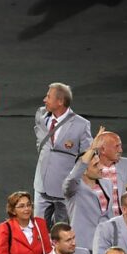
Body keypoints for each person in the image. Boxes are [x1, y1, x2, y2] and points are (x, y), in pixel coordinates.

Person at [34, 82, 93, 226]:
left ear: (60, 101)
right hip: (41, 186)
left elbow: (86, 156)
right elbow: (40, 139)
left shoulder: (81, 125)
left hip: (64, 192)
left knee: (62, 233)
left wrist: (73, 182)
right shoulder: (41, 115)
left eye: (48, 96)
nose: (44, 100)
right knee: (39, 233)